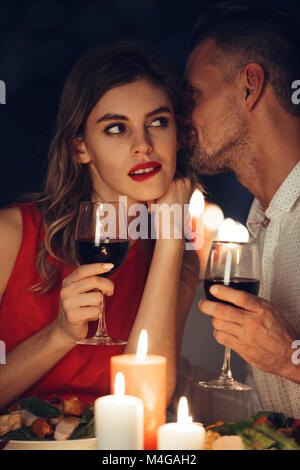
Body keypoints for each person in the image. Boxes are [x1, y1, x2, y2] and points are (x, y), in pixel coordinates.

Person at [0, 41, 200, 411]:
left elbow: (147, 403)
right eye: (115, 129)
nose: (143, 145)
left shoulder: (176, 256)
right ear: (80, 148)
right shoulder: (11, 234)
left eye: (157, 122)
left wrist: (172, 241)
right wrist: (60, 334)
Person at [185, 0, 300, 417]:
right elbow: (267, 404)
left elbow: (287, 364)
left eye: (193, 94)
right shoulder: (258, 226)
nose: (182, 117)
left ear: (250, 85)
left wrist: (290, 358)